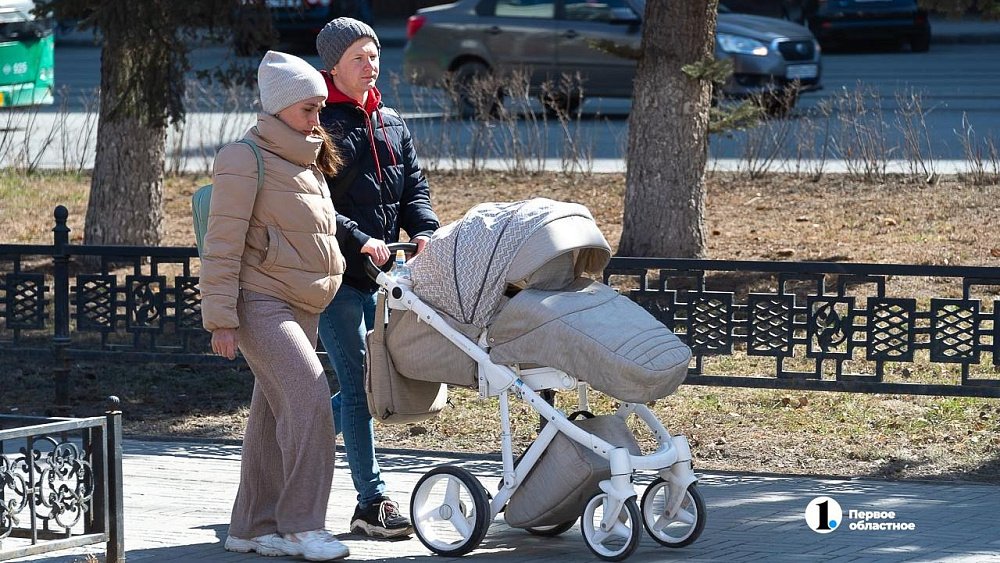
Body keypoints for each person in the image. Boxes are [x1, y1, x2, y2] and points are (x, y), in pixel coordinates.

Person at [200, 50, 350, 561]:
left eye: (320, 108)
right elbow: (222, 244)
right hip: (259, 303)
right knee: (310, 397)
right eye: (308, 108)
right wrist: (221, 319)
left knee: (269, 416)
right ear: (278, 107)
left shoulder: (307, 159)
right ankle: (303, 527)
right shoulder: (244, 158)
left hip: (301, 305)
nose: (317, 118)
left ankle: (250, 527)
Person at [314, 17, 440, 538]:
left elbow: (413, 186)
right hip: (337, 275)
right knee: (361, 384)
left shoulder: (390, 119)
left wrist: (425, 228)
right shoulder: (318, 124)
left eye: (375, 57)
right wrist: (359, 238)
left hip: (387, 277)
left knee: (370, 385)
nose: (370, 67)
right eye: (358, 59)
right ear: (333, 67)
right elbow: (314, 204)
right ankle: (372, 501)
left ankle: (291, 435)